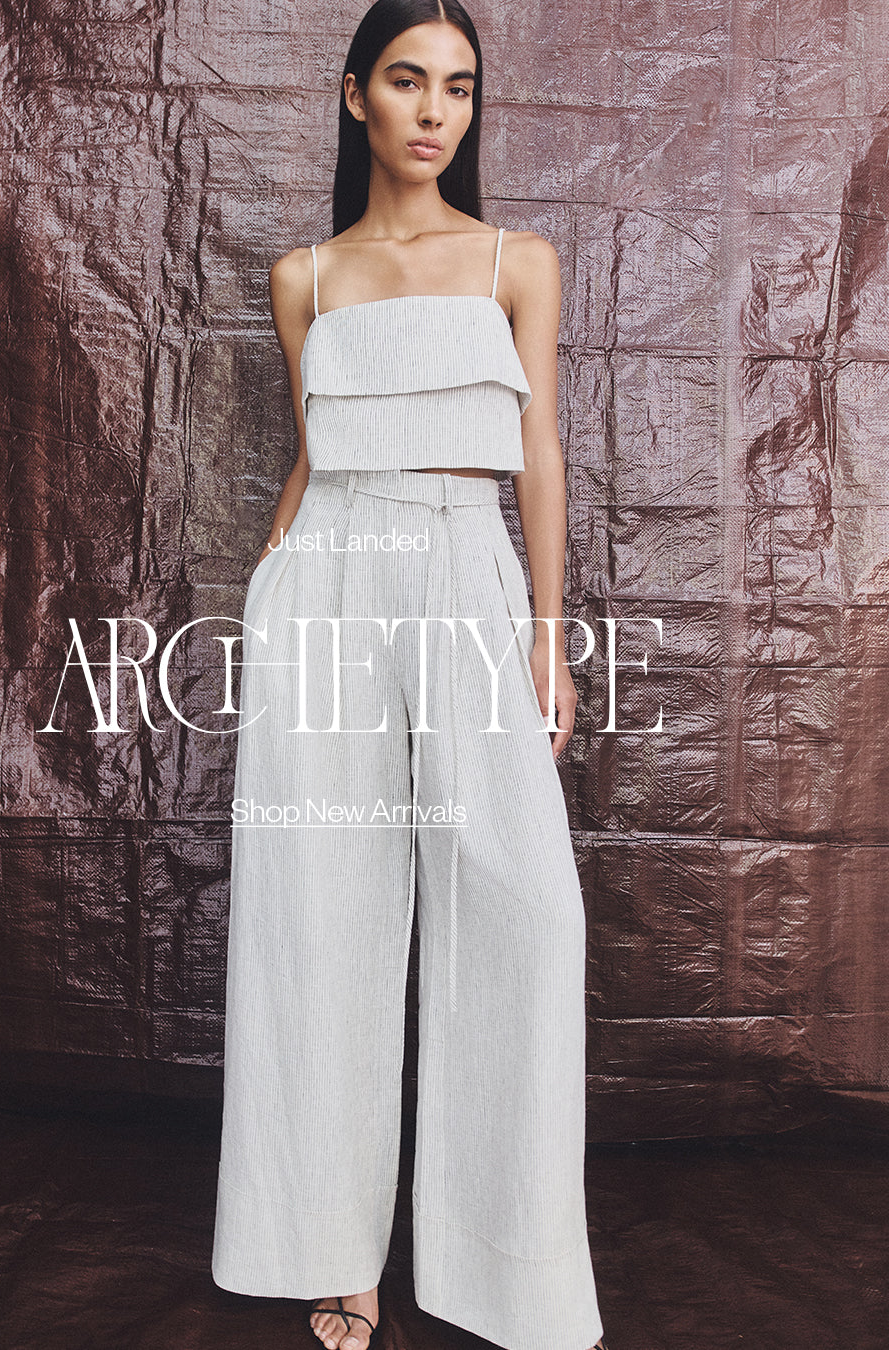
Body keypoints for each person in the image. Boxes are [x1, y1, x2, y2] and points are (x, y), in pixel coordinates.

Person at [212, 3, 607, 1348]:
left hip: (465, 565)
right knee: (319, 908)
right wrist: (274, 592)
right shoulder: (305, 278)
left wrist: (547, 631)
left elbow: (538, 454)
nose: (436, 110)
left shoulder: (514, 261)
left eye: (460, 87)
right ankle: (336, 1251)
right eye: (407, 80)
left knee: (525, 911)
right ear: (355, 97)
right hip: (324, 580)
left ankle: (508, 1269)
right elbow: (314, 452)